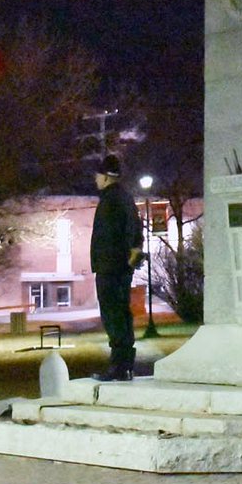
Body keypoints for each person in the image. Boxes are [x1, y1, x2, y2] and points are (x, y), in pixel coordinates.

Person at [89, 153, 144, 381]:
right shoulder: (125, 198)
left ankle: (119, 365)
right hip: (119, 266)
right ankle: (124, 365)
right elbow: (135, 229)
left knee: (113, 315)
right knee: (121, 313)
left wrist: (110, 260)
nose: (95, 180)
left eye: (98, 176)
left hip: (110, 266)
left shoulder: (110, 200)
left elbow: (110, 235)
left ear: (105, 177)